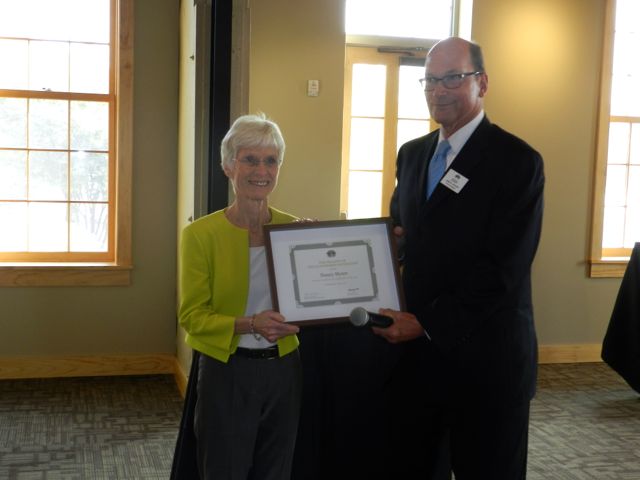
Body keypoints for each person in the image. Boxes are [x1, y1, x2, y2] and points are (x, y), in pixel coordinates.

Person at [374, 37, 545, 479]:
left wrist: (427, 323)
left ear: (482, 83)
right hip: (418, 364)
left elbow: (503, 268)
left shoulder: (517, 161)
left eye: (452, 78)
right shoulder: (413, 155)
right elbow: (402, 231)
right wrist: (366, 250)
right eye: (430, 80)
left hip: (488, 364)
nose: (438, 90)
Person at [177, 113, 302, 480]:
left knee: (276, 468)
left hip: (284, 369)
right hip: (227, 370)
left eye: (271, 160)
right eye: (250, 159)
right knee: (224, 468)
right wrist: (250, 324)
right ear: (228, 166)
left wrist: (317, 249)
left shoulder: (293, 228)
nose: (261, 170)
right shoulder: (201, 235)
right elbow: (192, 316)